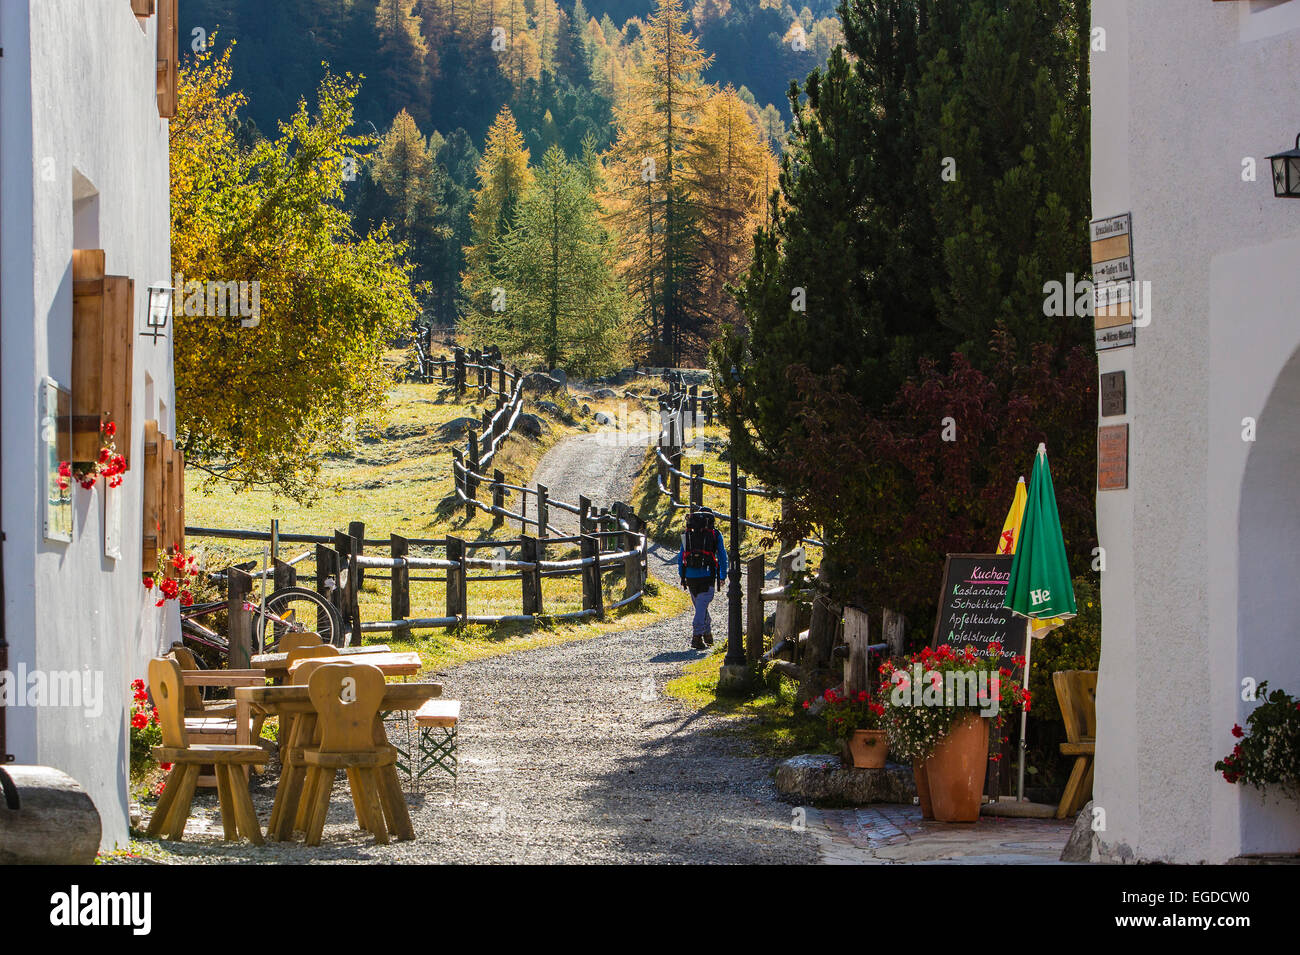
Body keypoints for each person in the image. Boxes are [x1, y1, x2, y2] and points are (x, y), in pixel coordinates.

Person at [677, 506, 728, 650]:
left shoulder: (687, 534)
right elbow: (723, 556)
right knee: (701, 606)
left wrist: (682, 575)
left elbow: (681, 556)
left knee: (701, 606)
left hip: (690, 576)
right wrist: (722, 575)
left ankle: (707, 634)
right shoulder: (715, 534)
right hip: (707, 575)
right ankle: (697, 636)